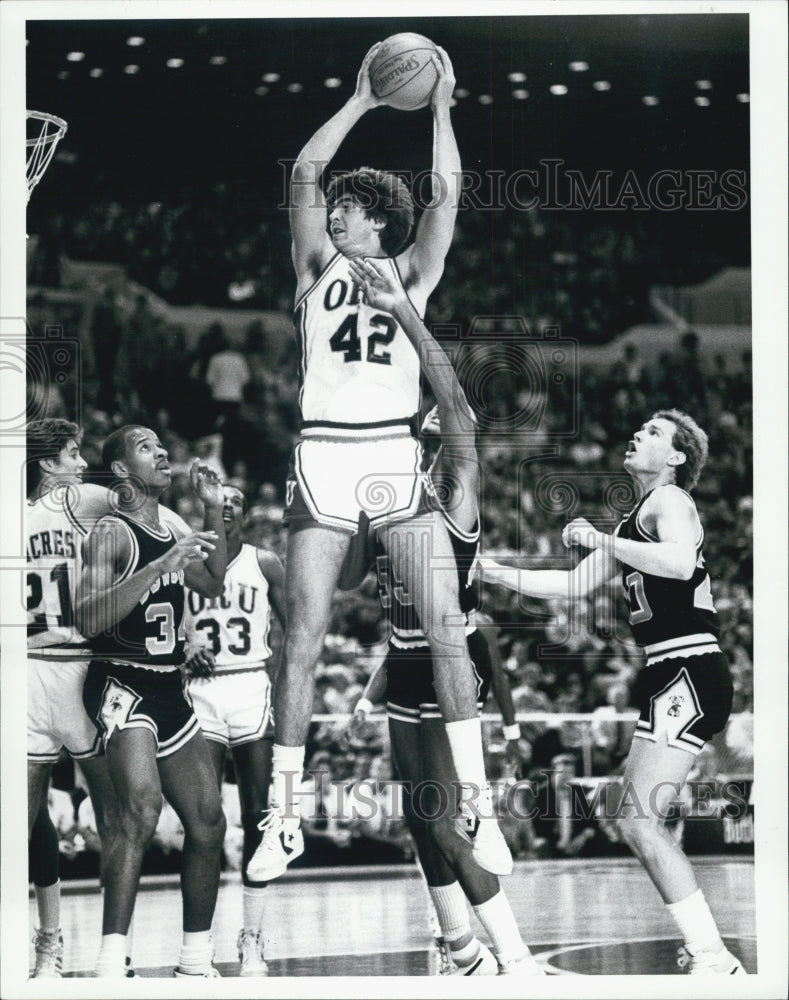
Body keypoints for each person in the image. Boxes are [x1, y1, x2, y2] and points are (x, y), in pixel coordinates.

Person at [249, 41, 509, 882]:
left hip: (397, 453)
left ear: (375, 219)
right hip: (321, 452)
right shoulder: (313, 263)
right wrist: (362, 99)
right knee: (304, 636)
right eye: (334, 208)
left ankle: (479, 802)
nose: (332, 213)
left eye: (347, 208)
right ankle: (282, 818)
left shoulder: (411, 272)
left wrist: (439, 110)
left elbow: (447, 194)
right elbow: (302, 174)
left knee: (445, 626)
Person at [479, 410, 746, 975]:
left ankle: (712, 954)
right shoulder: (633, 521)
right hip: (671, 670)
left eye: (653, 432)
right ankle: (708, 951)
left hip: (689, 666)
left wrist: (600, 538)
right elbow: (571, 585)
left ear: (674, 457)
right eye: (641, 427)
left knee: (637, 820)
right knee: (633, 817)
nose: (638, 434)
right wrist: (494, 571)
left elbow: (676, 563)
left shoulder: (669, 500)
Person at [340, 257, 541, 976]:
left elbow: (455, 407)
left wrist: (402, 313)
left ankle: (515, 957)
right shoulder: (390, 495)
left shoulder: (454, 490)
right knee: (418, 819)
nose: (427, 425)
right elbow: (351, 581)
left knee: (453, 822)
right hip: (400, 659)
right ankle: (461, 949)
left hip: (444, 662)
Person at [75, 426, 228, 978]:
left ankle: (194, 959)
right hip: (120, 680)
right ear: (121, 471)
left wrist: (214, 513)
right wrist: (159, 568)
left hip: (168, 686)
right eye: (146, 447)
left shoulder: (173, 526)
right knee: (141, 810)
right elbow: (88, 619)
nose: (163, 451)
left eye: (164, 444)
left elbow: (212, 584)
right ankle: (110, 960)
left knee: (210, 823)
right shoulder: (112, 532)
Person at [25, 418, 122, 978]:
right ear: (47, 465)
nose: (82, 462)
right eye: (72, 453)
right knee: (102, 820)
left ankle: (78, 946)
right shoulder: (76, 502)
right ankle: (59, 943)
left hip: (69, 668)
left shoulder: (62, 504)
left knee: (112, 819)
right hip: (53, 666)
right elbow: (135, 498)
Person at [182, 484, 286, 976]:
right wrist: (184, 649)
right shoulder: (184, 558)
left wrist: (285, 690)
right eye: (216, 500)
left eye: (235, 501)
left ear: (244, 513)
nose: (225, 507)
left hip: (250, 685)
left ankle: (253, 937)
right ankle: (197, 949)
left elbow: (296, 632)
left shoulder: (264, 563)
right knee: (204, 818)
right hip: (199, 691)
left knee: (257, 817)